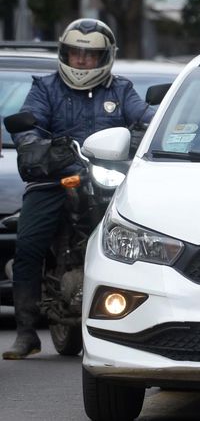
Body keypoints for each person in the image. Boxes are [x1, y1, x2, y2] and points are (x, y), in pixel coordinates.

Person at [3, 18, 154, 360]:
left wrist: (155, 128)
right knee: (28, 246)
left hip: (108, 179)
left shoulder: (121, 90)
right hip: (55, 179)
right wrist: (35, 144)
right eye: (75, 54)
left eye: (90, 55)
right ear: (65, 54)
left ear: (105, 57)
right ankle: (26, 333)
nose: (82, 62)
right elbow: (27, 124)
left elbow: (145, 116)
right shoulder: (44, 88)